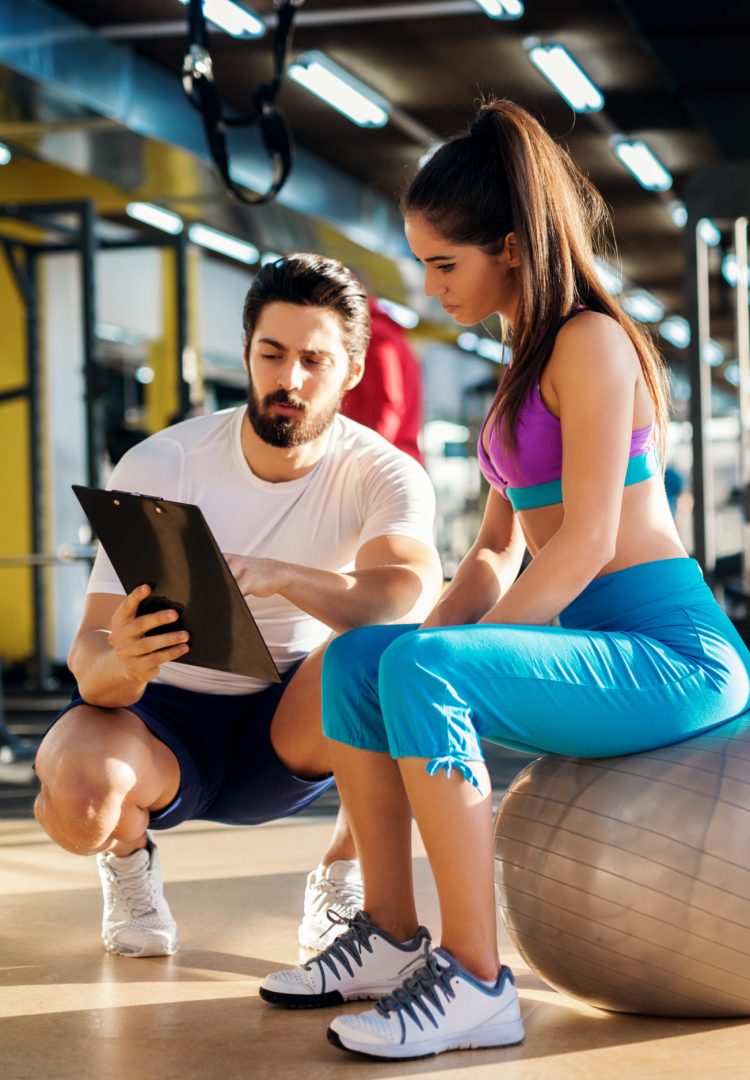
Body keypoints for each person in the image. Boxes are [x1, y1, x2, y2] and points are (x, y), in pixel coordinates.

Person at [259, 100, 750, 1059]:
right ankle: (392, 938)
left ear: (513, 249)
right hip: (592, 636)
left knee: (424, 669)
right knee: (365, 661)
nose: (430, 285)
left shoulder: (592, 343)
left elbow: (588, 540)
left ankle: (479, 982)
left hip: (672, 656)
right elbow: (493, 554)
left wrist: (450, 658)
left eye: (446, 264)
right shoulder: (520, 365)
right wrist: (421, 646)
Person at [33, 253, 442, 959]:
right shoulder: (163, 463)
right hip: (160, 721)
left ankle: (340, 873)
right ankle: (129, 862)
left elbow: (404, 593)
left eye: (314, 360)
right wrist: (127, 662)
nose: (289, 380)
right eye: (272, 354)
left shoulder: (383, 472)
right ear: (247, 353)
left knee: (385, 656)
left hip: (292, 725)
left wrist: (286, 576)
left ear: (351, 371)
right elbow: (89, 661)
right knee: (75, 802)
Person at [340, 295, 424, 464]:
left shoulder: (373, 334)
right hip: (394, 456)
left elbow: (386, 403)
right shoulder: (388, 332)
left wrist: (368, 461)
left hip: (383, 463)